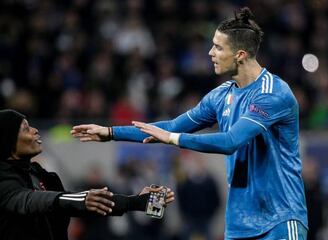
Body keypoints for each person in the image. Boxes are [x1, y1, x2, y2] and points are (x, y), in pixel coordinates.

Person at [71, 7, 308, 240]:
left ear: (240, 55)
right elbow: (172, 126)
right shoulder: (220, 95)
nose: (210, 52)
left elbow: (230, 141)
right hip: (239, 224)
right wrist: (111, 132)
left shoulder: (274, 94)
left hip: (280, 220)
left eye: (217, 47)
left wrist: (174, 140)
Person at [0, 109, 174, 240]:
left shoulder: (37, 173)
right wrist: (82, 199)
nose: (35, 130)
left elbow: (85, 203)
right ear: (7, 140)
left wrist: (137, 202)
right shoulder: (4, 181)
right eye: (26, 129)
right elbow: (31, 200)